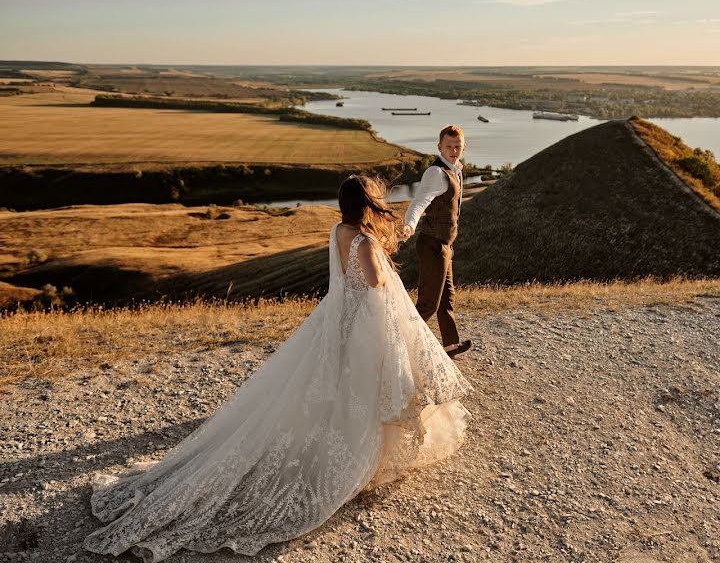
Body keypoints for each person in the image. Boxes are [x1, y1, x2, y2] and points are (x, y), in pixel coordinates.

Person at [83, 175, 473, 562]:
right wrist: (387, 269)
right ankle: (359, 459)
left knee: (335, 382)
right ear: (367, 205)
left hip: (339, 317)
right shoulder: (364, 241)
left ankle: (344, 444)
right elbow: (373, 283)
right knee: (364, 386)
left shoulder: (338, 229)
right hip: (364, 323)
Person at [399, 124, 472, 359]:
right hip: (432, 245)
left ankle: (450, 345)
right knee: (429, 303)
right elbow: (420, 201)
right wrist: (409, 225)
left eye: (457, 147)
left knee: (446, 298)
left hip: (444, 245)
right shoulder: (436, 173)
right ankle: (398, 345)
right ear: (439, 146)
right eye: (448, 146)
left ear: (464, 147)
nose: (453, 151)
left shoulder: (457, 170)